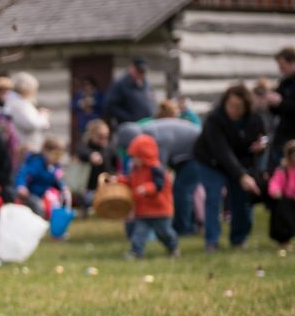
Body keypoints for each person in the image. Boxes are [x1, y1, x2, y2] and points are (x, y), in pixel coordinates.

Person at [193, 84, 266, 251]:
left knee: (242, 198)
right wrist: (241, 175)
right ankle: (211, 241)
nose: (233, 110)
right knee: (213, 196)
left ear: (246, 106)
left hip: (240, 162)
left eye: (238, 106)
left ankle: (239, 239)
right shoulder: (215, 119)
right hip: (210, 161)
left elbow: (263, 136)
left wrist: (262, 146)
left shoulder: (254, 118)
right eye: (230, 105)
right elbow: (221, 151)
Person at [116, 118, 201, 235]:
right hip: (182, 155)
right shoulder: (148, 134)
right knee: (183, 190)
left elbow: (157, 173)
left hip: (197, 152)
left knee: (182, 190)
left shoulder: (158, 141)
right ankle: (188, 225)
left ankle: (184, 229)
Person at [115, 135, 179, 259]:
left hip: (160, 210)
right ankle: (136, 251)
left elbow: (159, 185)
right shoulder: (136, 170)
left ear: (145, 156)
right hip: (143, 211)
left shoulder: (156, 169)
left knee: (164, 233)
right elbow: (130, 181)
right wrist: (118, 180)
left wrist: (147, 188)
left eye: (136, 157)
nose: (133, 161)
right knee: (139, 233)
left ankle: (173, 246)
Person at [15, 137, 67, 217]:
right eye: (55, 154)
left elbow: (56, 181)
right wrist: (21, 186)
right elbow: (23, 174)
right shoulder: (36, 163)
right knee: (39, 206)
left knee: (57, 202)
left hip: (43, 194)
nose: (57, 158)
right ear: (45, 152)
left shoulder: (54, 167)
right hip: (30, 195)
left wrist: (63, 187)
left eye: (59, 155)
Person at [75, 119, 117, 213]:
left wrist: (114, 176)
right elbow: (81, 151)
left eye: (106, 136)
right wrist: (90, 155)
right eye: (100, 137)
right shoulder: (85, 147)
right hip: (89, 188)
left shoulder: (110, 147)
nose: (103, 140)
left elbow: (115, 166)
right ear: (92, 135)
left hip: (107, 186)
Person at [3, 72, 49, 156]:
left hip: (28, 147)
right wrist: (43, 116)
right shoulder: (18, 104)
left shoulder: (20, 102)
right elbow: (31, 124)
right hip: (25, 148)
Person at [266, 47, 295, 171]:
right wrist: (272, 103)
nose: (280, 70)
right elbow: (276, 111)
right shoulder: (284, 83)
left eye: (283, 66)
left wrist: (281, 102)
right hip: (282, 137)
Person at [105, 57, 155, 126]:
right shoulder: (120, 84)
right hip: (129, 126)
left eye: (143, 71)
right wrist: (129, 118)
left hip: (147, 125)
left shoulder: (146, 84)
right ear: (132, 68)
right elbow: (110, 106)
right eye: (139, 71)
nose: (141, 74)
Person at [267, 140, 295, 249]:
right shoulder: (283, 170)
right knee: (282, 215)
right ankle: (284, 241)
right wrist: (275, 191)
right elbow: (274, 183)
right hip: (286, 203)